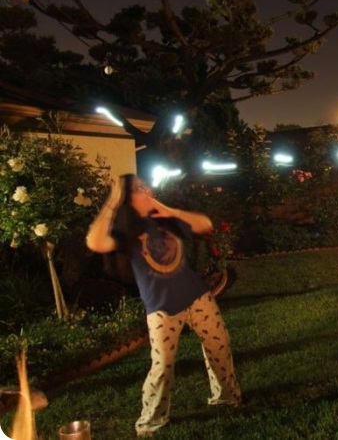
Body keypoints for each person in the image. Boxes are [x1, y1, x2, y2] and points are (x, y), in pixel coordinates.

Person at [86, 174, 242, 436]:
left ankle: (227, 397)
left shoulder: (165, 220)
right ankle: (151, 422)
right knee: (162, 366)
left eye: (145, 185)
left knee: (220, 345)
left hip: (197, 296)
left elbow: (204, 224)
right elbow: (94, 241)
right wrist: (112, 201)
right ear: (127, 199)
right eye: (139, 188)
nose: (147, 188)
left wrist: (168, 210)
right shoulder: (126, 233)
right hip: (161, 308)